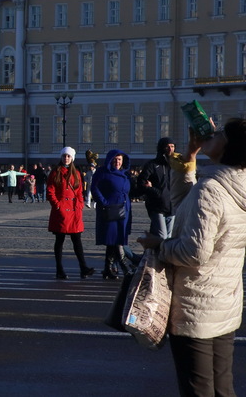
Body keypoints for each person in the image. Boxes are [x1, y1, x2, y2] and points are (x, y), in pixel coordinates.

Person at [138, 119, 246, 396]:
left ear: (229, 147)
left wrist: (158, 245)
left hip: (196, 305)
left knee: (198, 388)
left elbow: (193, 253)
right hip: (225, 303)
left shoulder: (211, 189)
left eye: (220, 132)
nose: (213, 132)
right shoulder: (235, 184)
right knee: (222, 385)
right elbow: (185, 204)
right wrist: (190, 155)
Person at [46, 147, 95, 279]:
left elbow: (79, 191)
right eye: (64, 156)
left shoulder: (76, 173)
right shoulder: (55, 172)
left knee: (77, 240)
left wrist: (79, 205)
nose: (66, 158)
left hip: (74, 211)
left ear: (72, 158)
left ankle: (83, 267)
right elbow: (50, 191)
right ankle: (59, 269)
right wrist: (57, 205)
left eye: (68, 156)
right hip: (61, 210)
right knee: (60, 240)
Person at [92, 149, 133, 279]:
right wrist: (104, 202)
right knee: (115, 239)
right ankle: (124, 266)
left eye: (119, 159)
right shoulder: (103, 172)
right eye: (115, 159)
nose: (117, 162)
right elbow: (94, 187)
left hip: (123, 209)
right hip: (110, 210)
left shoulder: (125, 174)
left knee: (114, 240)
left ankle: (107, 268)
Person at [136, 136, 176, 239]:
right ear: (162, 148)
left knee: (168, 237)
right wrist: (154, 191)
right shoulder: (152, 165)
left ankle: (155, 254)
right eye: (167, 147)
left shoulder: (176, 165)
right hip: (157, 206)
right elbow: (141, 182)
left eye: (172, 146)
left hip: (172, 207)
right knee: (162, 237)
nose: (170, 149)